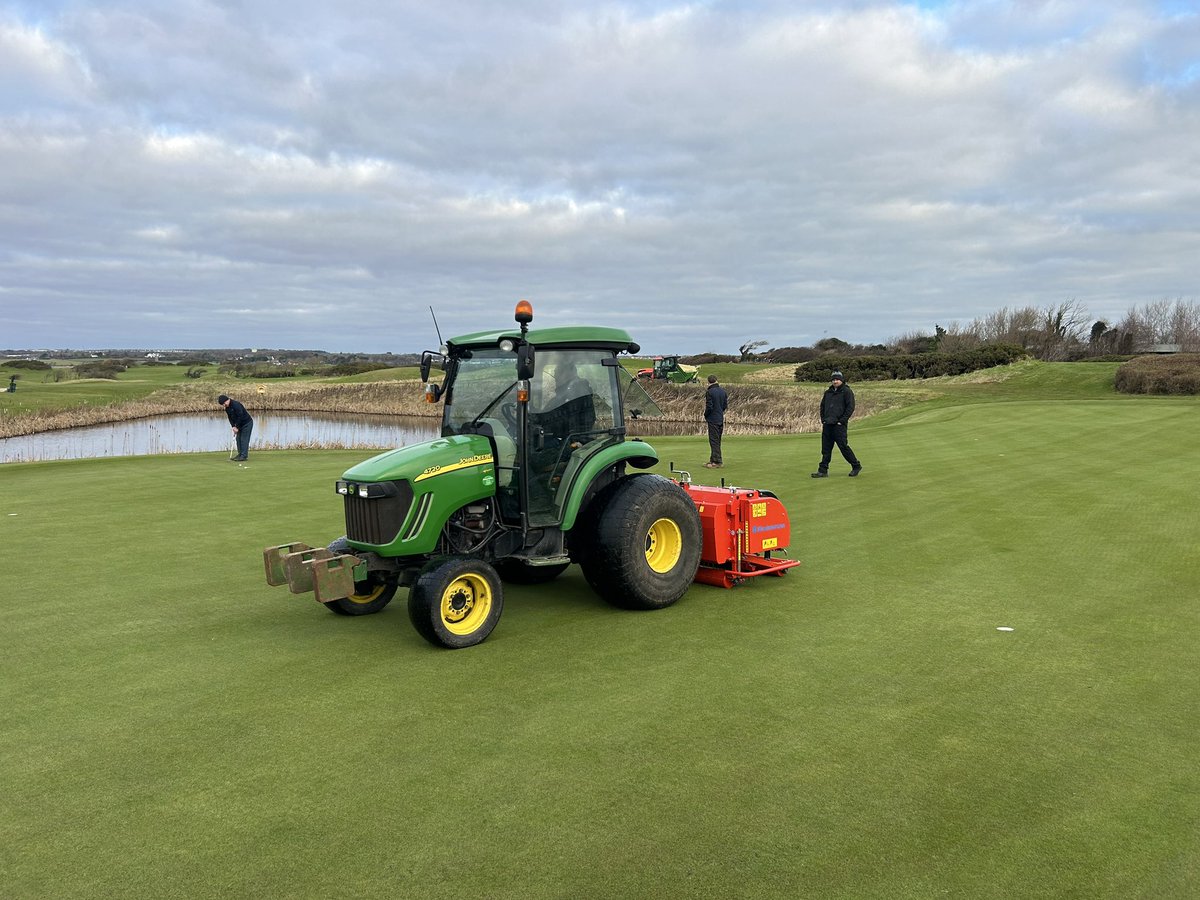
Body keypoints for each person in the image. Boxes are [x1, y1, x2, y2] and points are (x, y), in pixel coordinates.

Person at [812, 371, 862, 478]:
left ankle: (856, 465)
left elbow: (850, 408)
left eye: (837, 379)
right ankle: (823, 470)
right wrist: (823, 420)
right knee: (826, 449)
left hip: (839, 426)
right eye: (833, 379)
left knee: (843, 447)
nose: (835, 381)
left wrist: (842, 421)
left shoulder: (847, 392)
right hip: (827, 424)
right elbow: (822, 406)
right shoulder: (828, 392)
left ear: (841, 380)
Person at [218, 394, 254, 461]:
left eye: (224, 403)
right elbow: (230, 418)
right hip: (239, 425)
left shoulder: (236, 405)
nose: (223, 405)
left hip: (247, 423)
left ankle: (244, 456)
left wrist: (236, 426)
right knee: (238, 439)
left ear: (227, 400)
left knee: (244, 440)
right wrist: (233, 427)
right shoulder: (227, 408)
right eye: (222, 404)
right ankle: (240, 454)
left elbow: (240, 416)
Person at [704, 374, 728, 469]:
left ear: (709, 382)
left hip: (713, 419)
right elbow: (725, 406)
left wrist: (706, 414)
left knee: (713, 440)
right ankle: (713, 459)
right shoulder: (723, 391)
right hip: (720, 418)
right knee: (717, 440)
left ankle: (717, 461)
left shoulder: (709, 392)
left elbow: (709, 406)